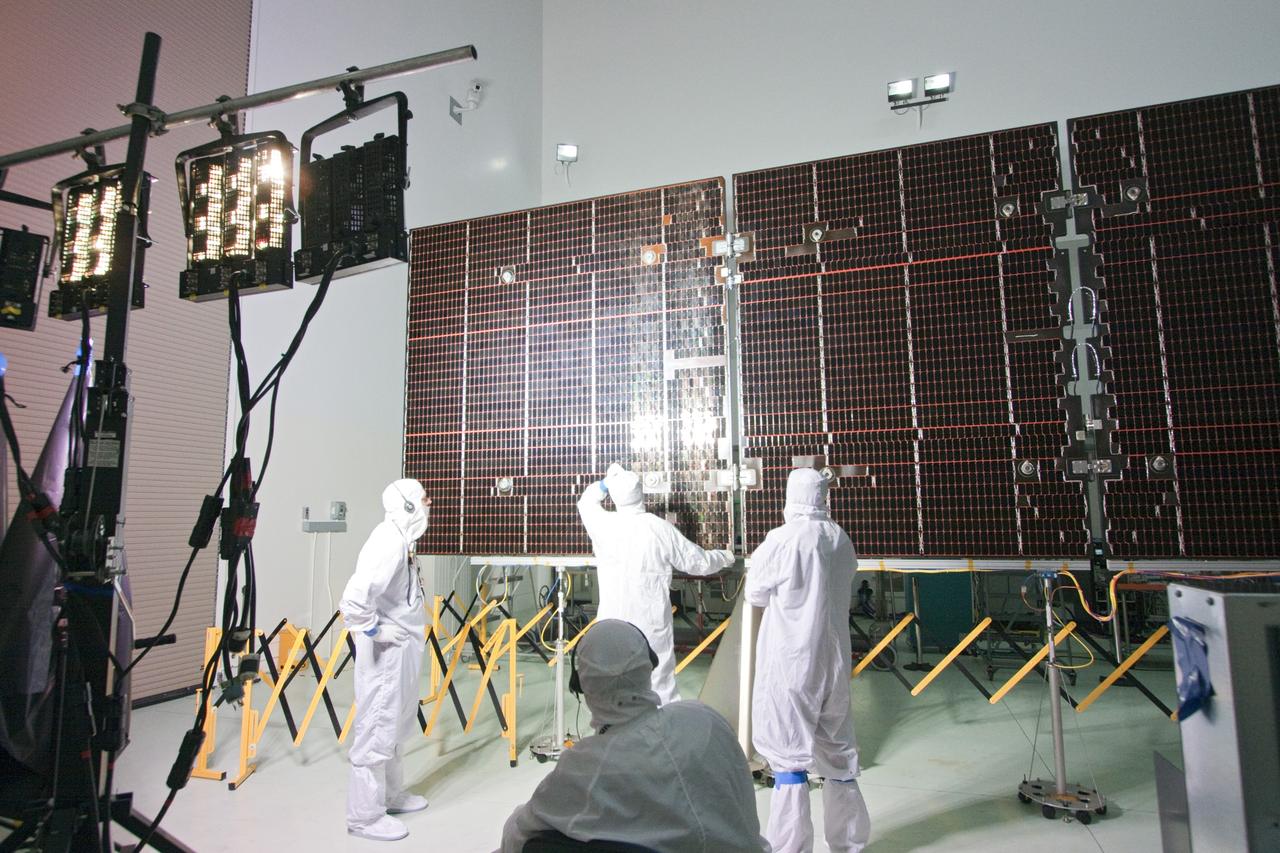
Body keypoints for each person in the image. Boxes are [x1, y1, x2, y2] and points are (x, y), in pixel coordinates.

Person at [497, 619, 768, 853]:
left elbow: (518, 833)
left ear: (582, 687)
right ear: (649, 666)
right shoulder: (706, 721)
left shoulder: (585, 768)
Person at [747, 468, 871, 853]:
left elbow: (755, 592)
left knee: (788, 761)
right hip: (833, 663)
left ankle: (790, 848)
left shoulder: (782, 540)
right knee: (838, 755)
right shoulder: (839, 538)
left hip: (792, 662)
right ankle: (849, 845)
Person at [577, 463, 735, 704]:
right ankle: (661, 735)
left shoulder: (604, 525)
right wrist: (726, 556)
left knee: (612, 686)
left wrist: (605, 483)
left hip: (612, 622)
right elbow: (698, 563)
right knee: (659, 687)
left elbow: (586, 502)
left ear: (615, 497)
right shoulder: (658, 528)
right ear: (641, 493)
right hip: (649, 625)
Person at [339, 478, 431, 842]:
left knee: (397, 723)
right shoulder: (388, 541)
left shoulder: (403, 541)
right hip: (387, 651)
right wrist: (373, 630)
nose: (429, 504)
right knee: (377, 726)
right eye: (423, 499)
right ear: (408, 506)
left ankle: (391, 795)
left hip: (403, 646)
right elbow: (355, 598)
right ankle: (364, 816)